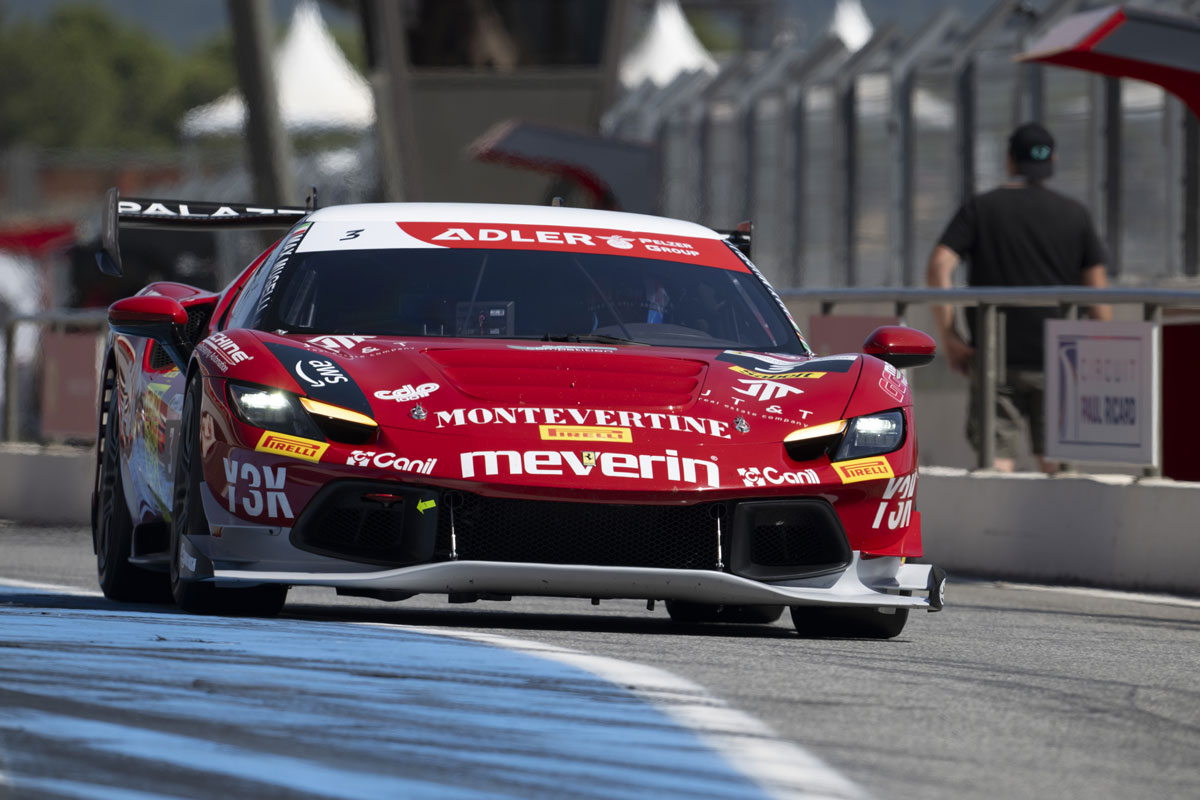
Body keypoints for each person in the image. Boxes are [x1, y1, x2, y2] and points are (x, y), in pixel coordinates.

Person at [926, 122, 1112, 473]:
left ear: (1010, 160)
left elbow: (938, 266)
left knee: (996, 463)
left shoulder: (981, 208)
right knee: (1058, 462)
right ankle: (1060, 526)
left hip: (995, 355)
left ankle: (994, 526)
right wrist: (1096, 352)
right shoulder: (1076, 214)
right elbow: (1099, 300)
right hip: (1060, 357)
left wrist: (950, 337)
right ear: (1053, 160)